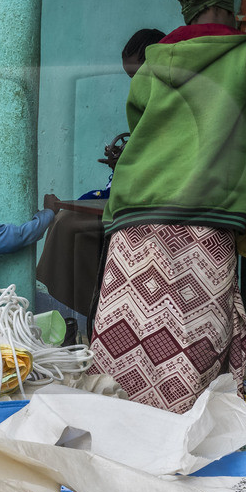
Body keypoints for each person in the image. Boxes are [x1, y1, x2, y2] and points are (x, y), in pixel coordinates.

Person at [92, 0, 246, 413]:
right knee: (195, 327)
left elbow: (137, 124)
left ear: (189, 8)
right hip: (206, 214)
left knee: (127, 327)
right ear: (226, 4)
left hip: (136, 209)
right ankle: (185, 423)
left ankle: (122, 420)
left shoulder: (155, 60)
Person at [37, 27, 164, 327]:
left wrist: (128, 163)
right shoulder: (148, 104)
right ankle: (88, 310)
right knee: (63, 219)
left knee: (68, 225)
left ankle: (93, 311)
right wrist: (121, 162)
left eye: (138, 77)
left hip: (149, 203)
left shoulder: (168, 104)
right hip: (128, 194)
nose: (135, 86)